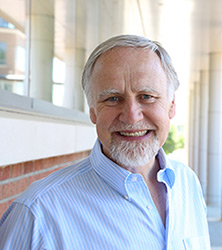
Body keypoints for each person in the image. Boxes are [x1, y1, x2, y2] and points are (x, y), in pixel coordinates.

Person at [0, 35, 210, 249]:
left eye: (146, 96)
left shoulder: (187, 183)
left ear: (172, 105)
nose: (131, 116)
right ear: (93, 112)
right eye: (112, 99)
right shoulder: (38, 214)